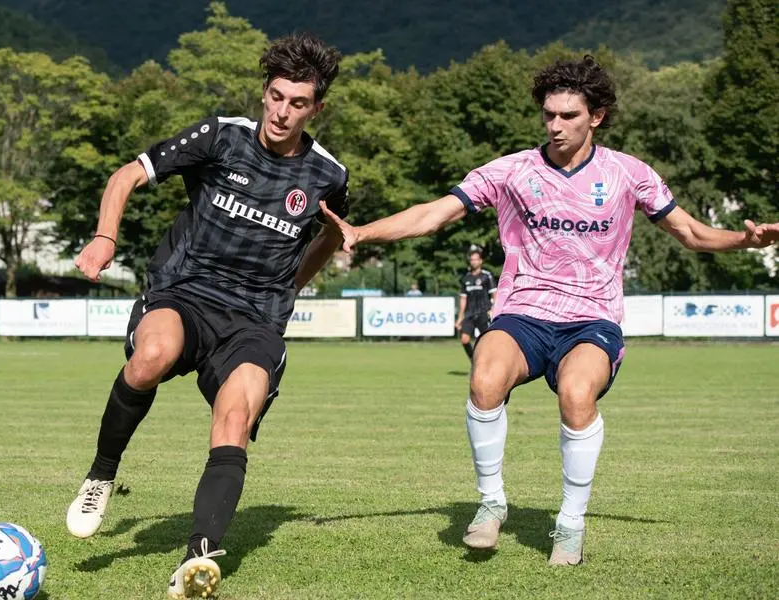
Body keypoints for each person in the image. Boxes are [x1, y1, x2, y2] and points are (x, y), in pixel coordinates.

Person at [319, 55, 779, 566]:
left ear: (596, 117)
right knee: (484, 377)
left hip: (592, 318)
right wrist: (362, 232)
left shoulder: (629, 174)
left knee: (577, 394)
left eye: (568, 116)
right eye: (548, 116)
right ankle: (491, 504)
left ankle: (569, 524)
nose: (555, 126)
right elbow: (433, 215)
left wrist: (744, 239)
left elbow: (692, 233)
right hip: (524, 312)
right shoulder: (511, 170)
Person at [70, 33, 347, 598]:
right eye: (275, 96)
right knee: (149, 359)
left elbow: (331, 234)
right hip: (185, 293)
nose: (281, 112)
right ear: (264, 92)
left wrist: (293, 283)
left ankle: (200, 557)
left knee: (235, 418)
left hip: (256, 319)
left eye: (297, 103)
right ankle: (101, 475)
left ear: (316, 108)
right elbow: (126, 175)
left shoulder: (328, 176)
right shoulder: (220, 136)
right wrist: (104, 238)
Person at [456, 248, 496, 360]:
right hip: (469, 313)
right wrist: (460, 317)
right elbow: (463, 299)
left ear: (480, 261)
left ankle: (490, 362)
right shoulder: (465, 278)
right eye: (472, 260)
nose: (474, 262)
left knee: (486, 341)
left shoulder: (486, 276)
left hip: (483, 312)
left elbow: (495, 295)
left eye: (476, 259)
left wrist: (493, 309)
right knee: (464, 339)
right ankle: (474, 361)